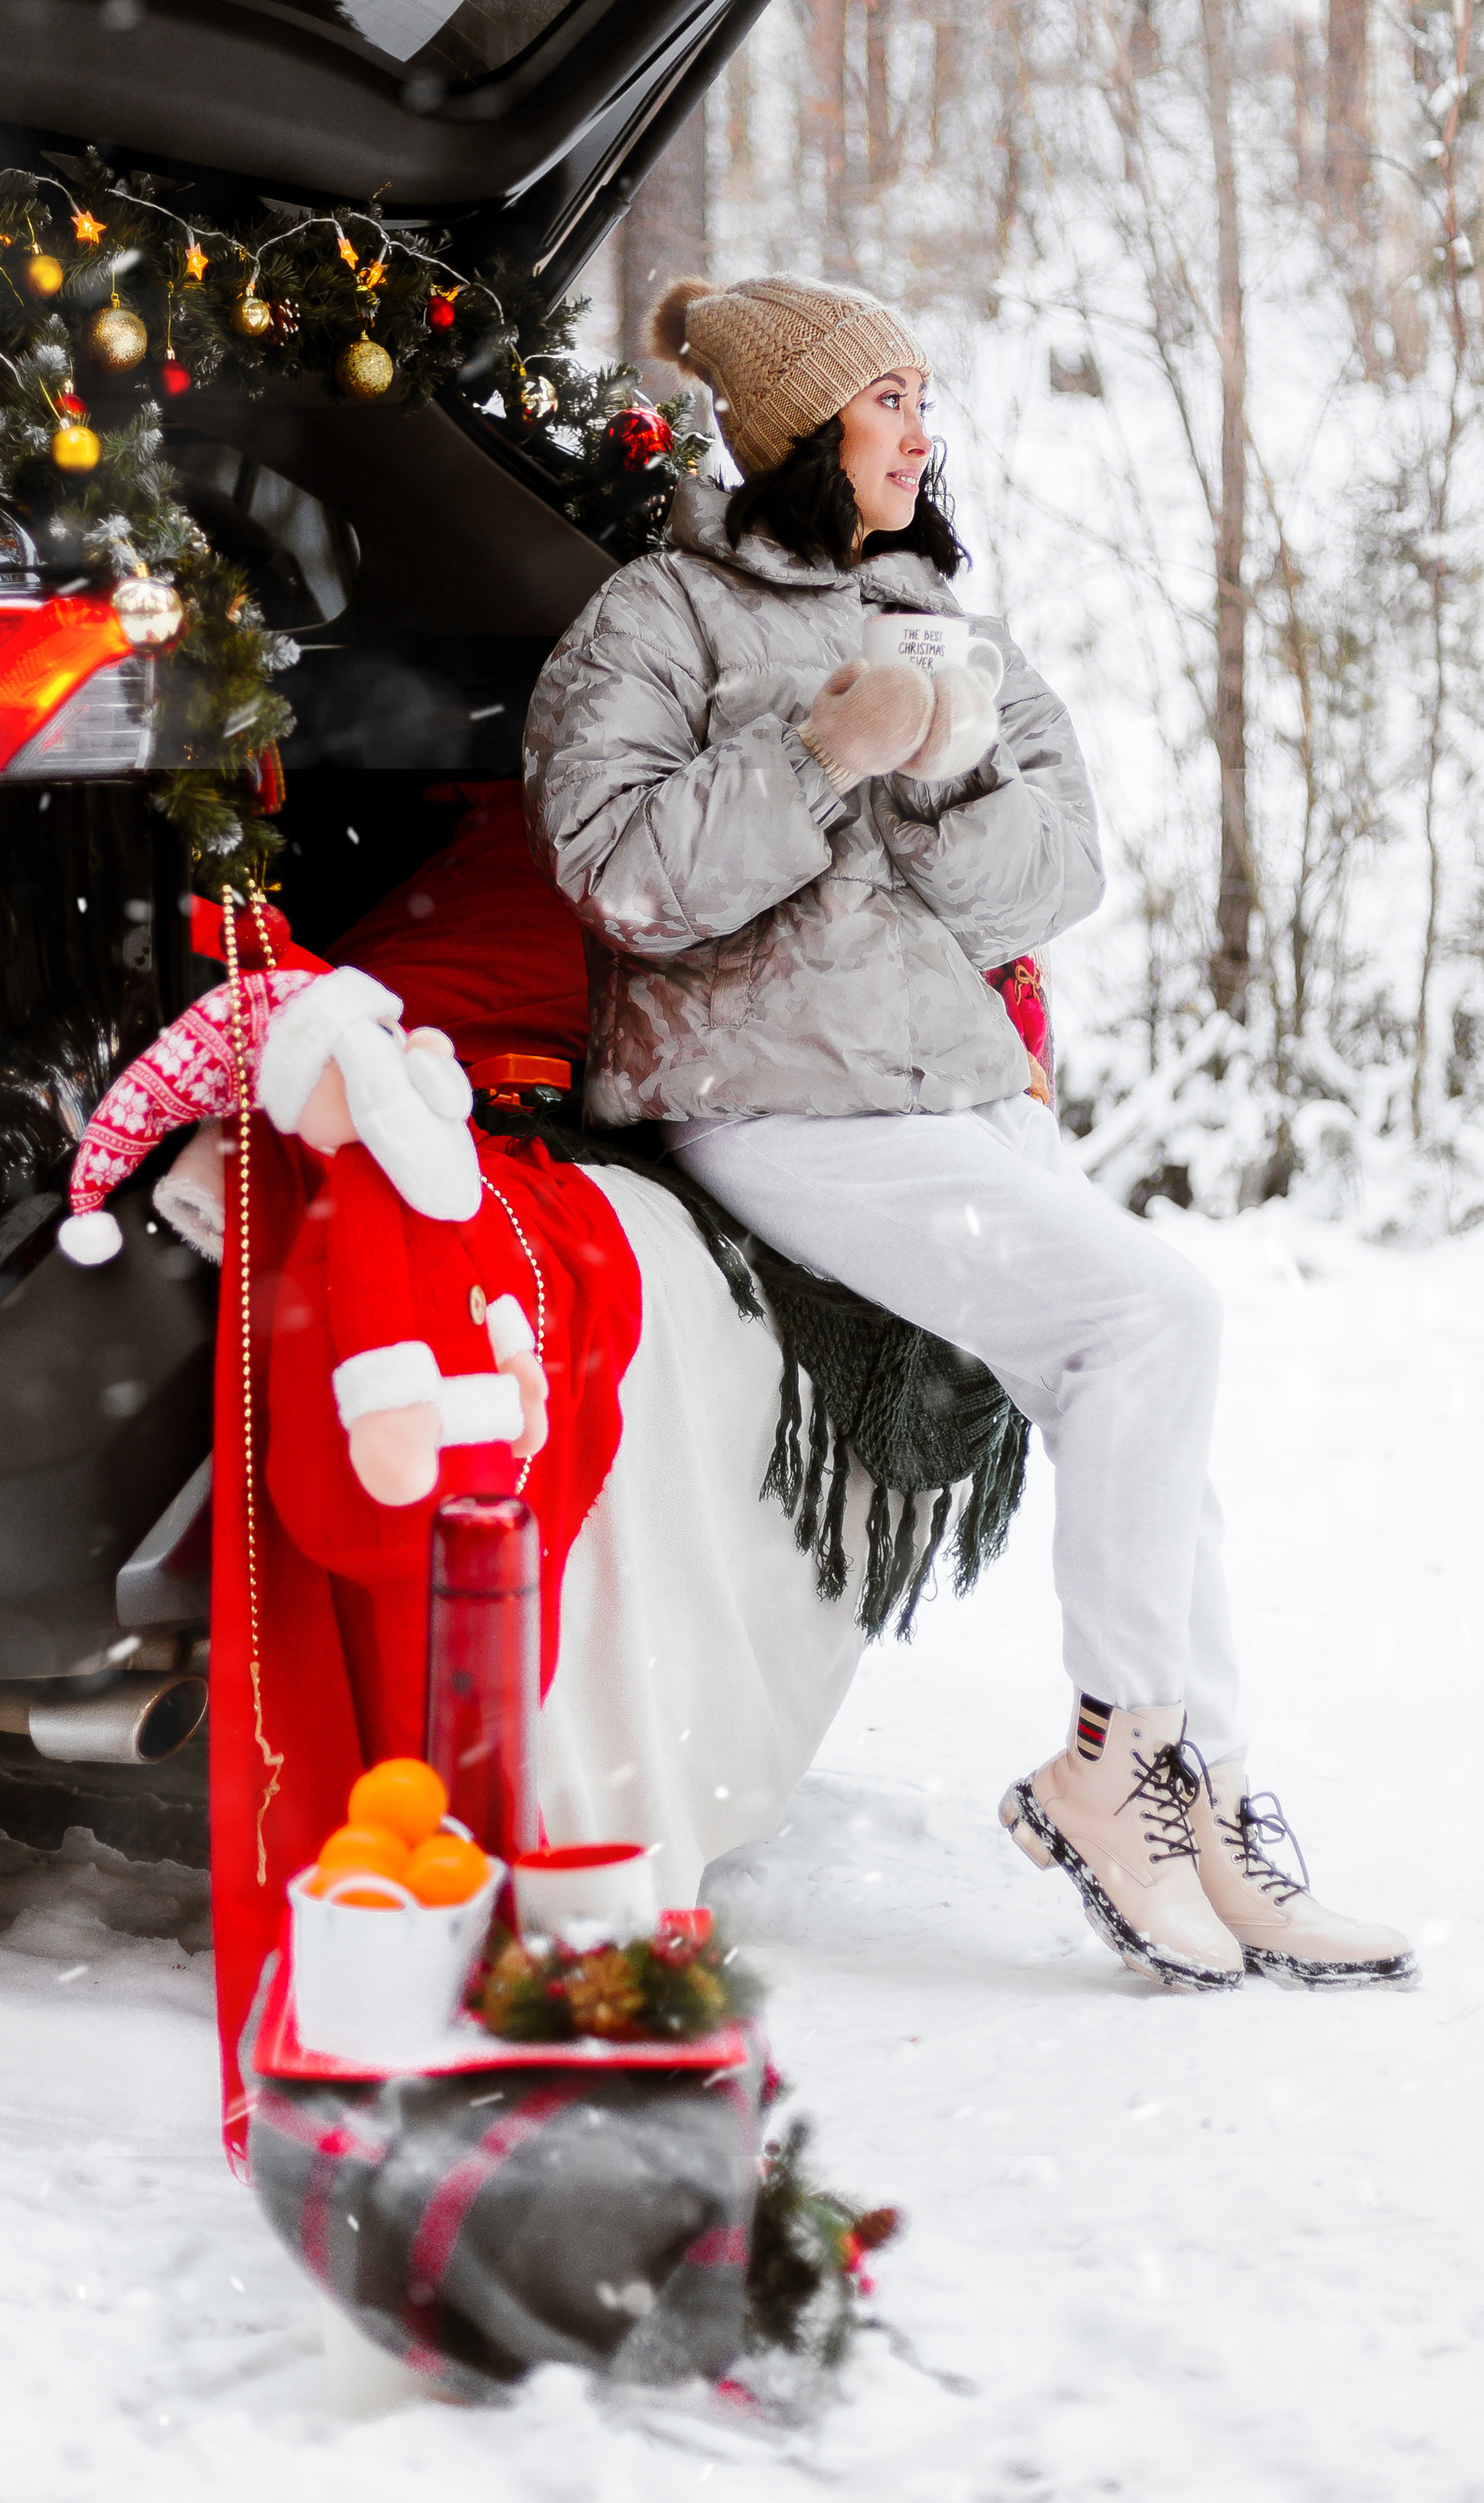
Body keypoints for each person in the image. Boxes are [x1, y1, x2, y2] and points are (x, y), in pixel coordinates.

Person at [523, 273, 1412, 1994]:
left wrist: (931, 777)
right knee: (1152, 1317)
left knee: (1150, 1409)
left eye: (923, 398)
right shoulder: (656, 620)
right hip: (763, 1095)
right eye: (885, 402)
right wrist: (812, 752)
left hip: (950, 1092)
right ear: (794, 433)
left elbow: (1055, 880)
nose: (922, 434)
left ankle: (1198, 1796)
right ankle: (1105, 1764)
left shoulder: (947, 627)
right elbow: (619, 881)